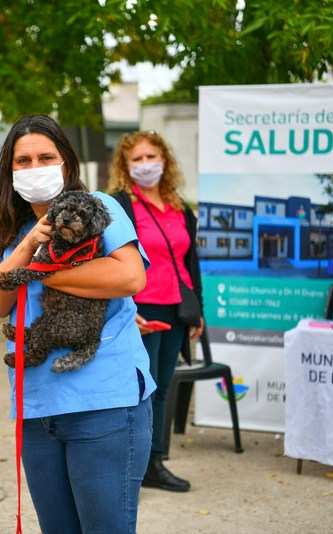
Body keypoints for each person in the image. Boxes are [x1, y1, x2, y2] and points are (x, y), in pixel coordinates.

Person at [0, 114, 156, 534]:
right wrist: (27, 247)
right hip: (38, 410)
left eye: (45, 157)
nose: (34, 167)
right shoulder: (16, 232)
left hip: (103, 405)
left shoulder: (98, 207)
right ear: (9, 171)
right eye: (23, 161)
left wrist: (40, 271)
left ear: (66, 163)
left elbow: (130, 277)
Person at [108, 130, 204, 493]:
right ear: (125, 165)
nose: (146, 165)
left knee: (162, 388)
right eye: (137, 159)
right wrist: (121, 308)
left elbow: (190, 262)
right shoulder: (120, 205)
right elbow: (109, 260)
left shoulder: (180, 207)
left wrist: (199, 311)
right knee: (137, 391)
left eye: (152, 157)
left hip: (176, 309)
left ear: (165, 160)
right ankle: (130, 464)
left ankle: (154, 462)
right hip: (139, 309)